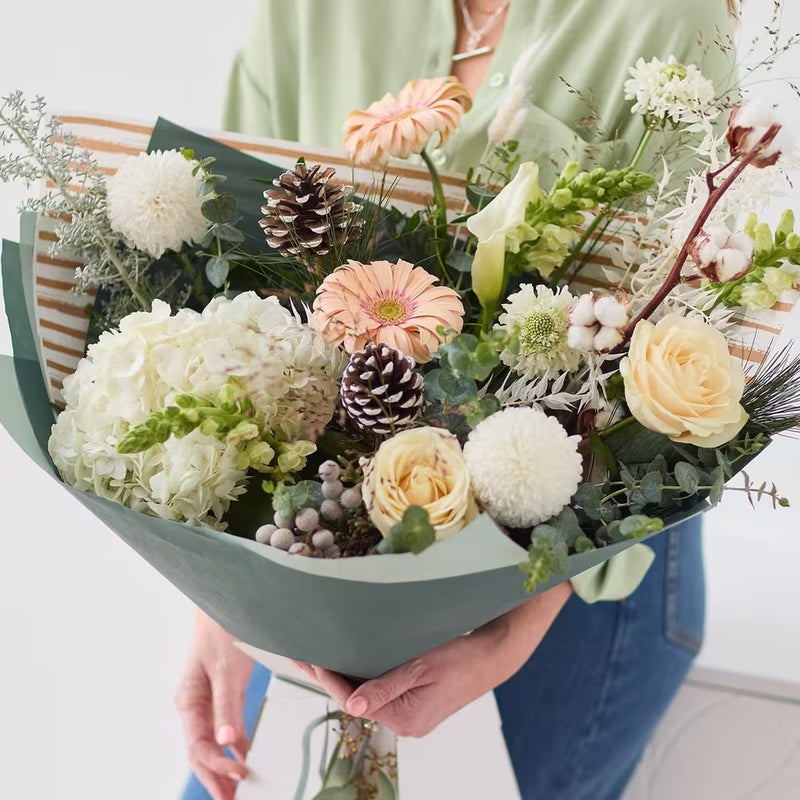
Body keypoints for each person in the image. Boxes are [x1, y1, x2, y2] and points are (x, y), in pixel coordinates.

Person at [177, 2, 738, 798]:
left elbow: (675, 358)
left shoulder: (664, 18)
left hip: (570, 574)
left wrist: (515, 630)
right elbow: (238, 288)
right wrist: (223, 602)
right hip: (312, 543)